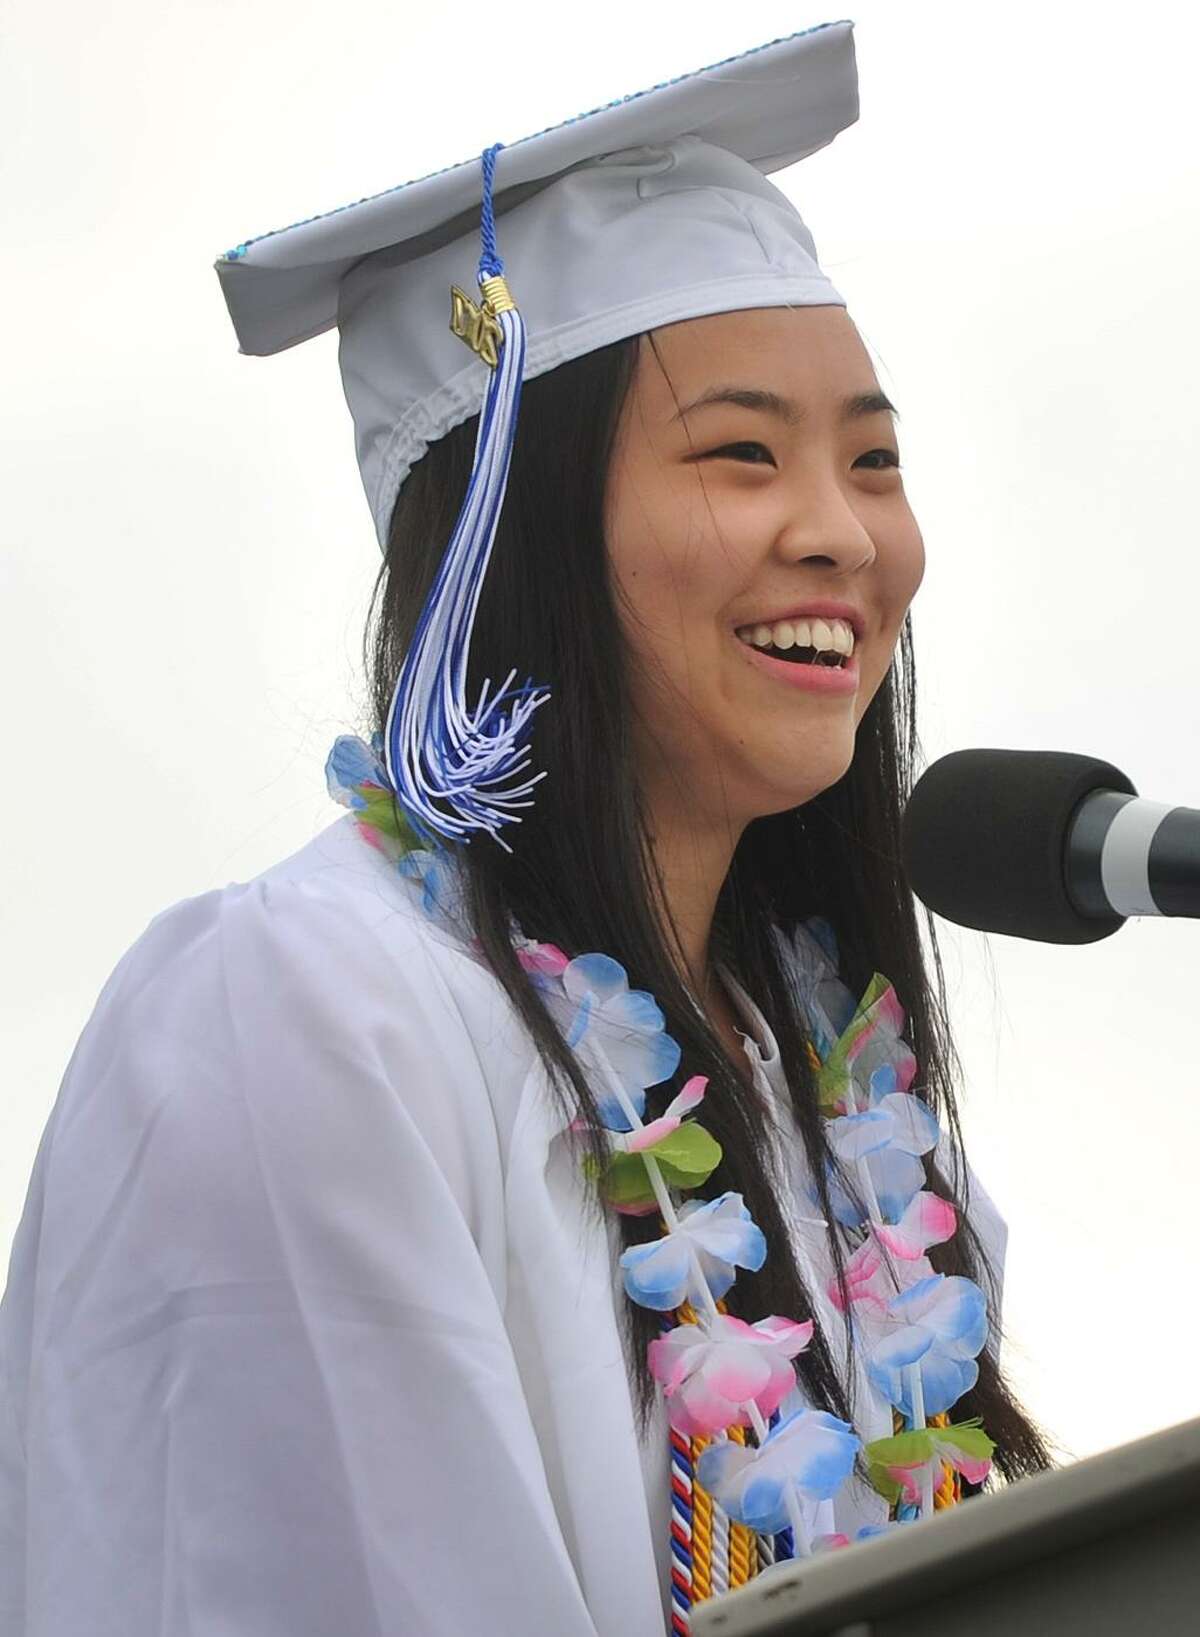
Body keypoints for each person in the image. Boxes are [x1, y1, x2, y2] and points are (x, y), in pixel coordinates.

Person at [0, 21, 1050, 1636]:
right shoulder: (308, 1008)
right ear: (521, 529)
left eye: (874, 460)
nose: (841, 534)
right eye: (744, 454)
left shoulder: (842, 1097)